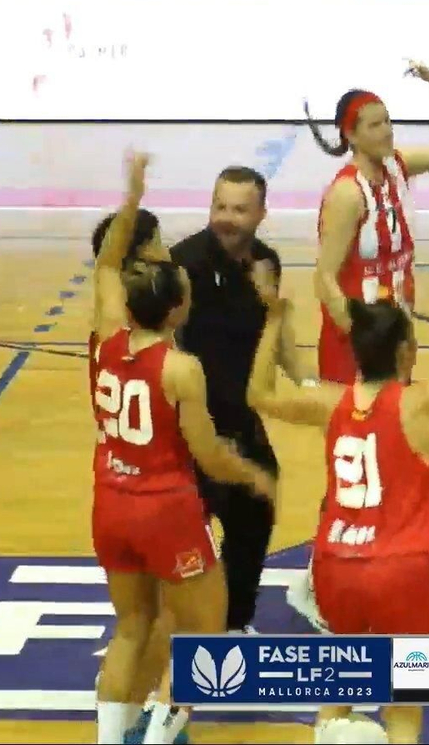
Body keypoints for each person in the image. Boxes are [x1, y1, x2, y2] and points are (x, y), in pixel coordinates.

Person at [248, 212, 429, 745]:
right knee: (404, 700)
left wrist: (274, 319)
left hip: (335, 566)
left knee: (338, 694)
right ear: (405, 352)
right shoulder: (420, 403)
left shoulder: (331, 403)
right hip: (402, 571)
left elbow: (259, 394)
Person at [88, 154, 276, 745]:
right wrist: (253, 476)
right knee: (207, 628)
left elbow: (107, 260)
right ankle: (164, 730)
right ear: (176, 309)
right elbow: (210, 455)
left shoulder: (104, 334)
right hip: (165, 508)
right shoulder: (179, 367)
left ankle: (112, 736)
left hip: (109, 501)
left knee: (132, 628)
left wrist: (132, 193)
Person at [292, 60, 429, 628]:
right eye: (374, 124)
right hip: (361, 334)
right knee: (352, 450)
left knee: (389, 449)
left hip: (395, 328)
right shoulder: (347, 195)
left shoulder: (397, 168)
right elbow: (324, 276)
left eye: (389, 121)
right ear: (350, 133)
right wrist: (359, 335)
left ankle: (370, 550)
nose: (387, 132)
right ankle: (319, 571)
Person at [170, 166, 312, 634]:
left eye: (238, 209)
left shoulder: (266, 261)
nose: (226, 218)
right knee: (188, 530)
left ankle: (233, 621)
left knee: (256, 508)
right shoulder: (184, 263)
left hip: (242, 412)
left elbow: (277, 327)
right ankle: (165, 627)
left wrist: (304, 381)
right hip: (192, 422)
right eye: (220, 206)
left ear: (261, 213)